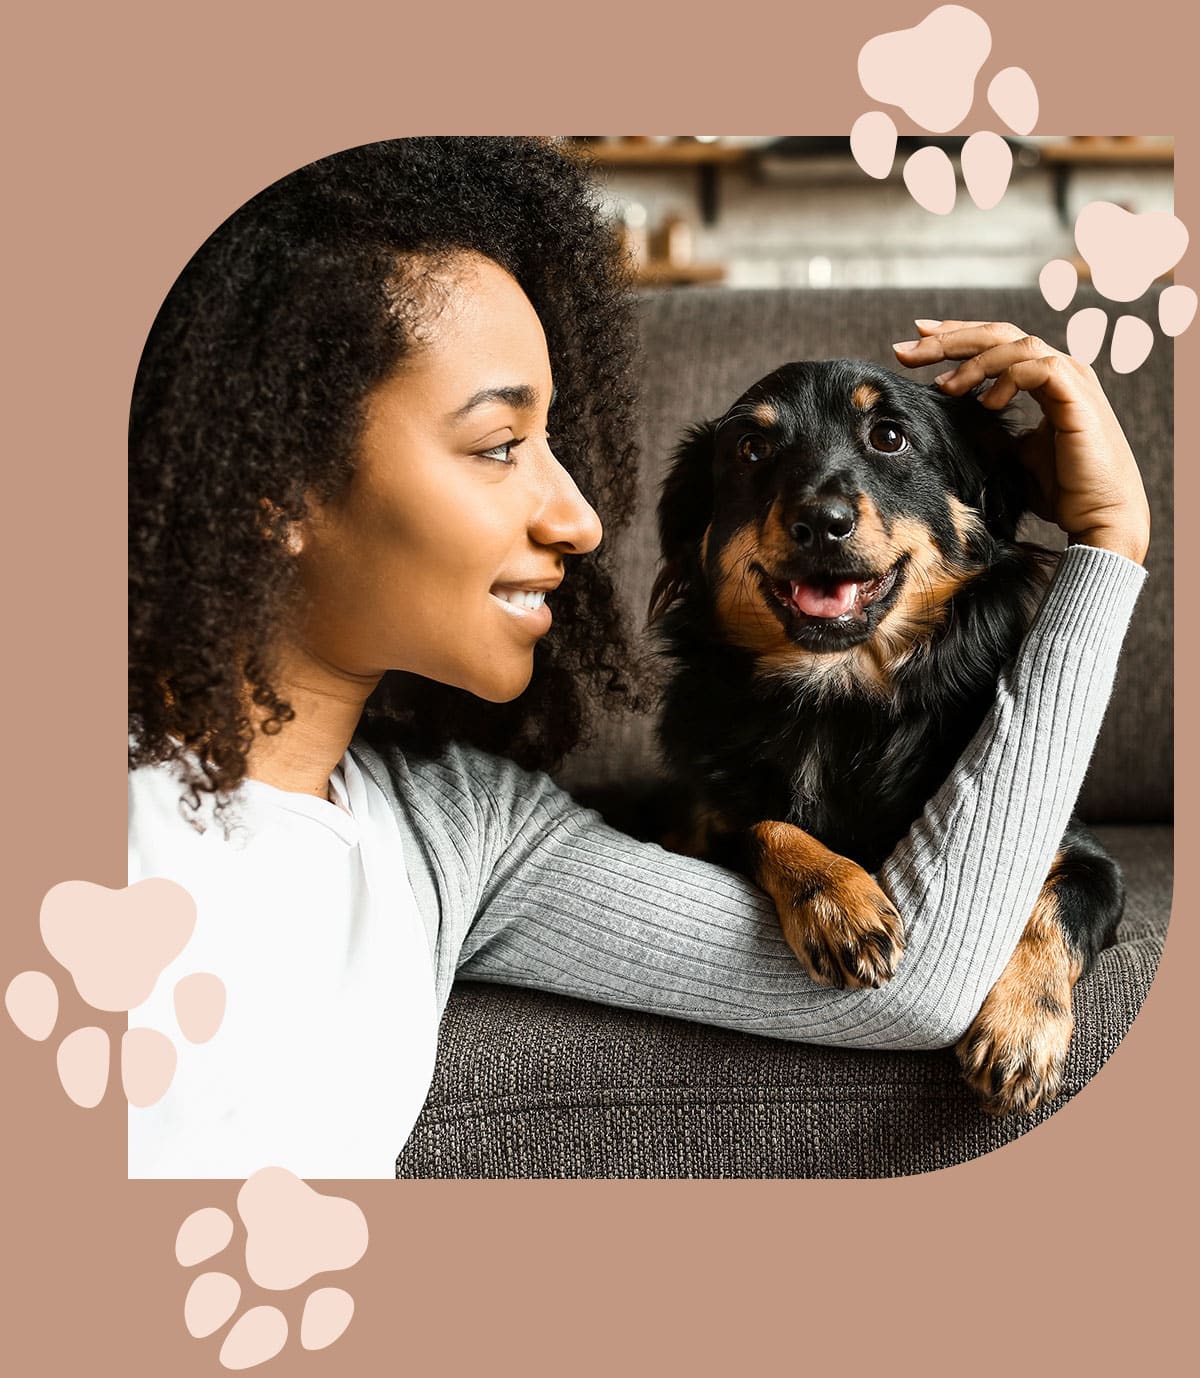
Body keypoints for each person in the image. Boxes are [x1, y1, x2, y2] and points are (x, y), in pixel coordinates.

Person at [127, 137, 1150, 1178]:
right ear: (276, 483)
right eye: (499, 445)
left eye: (556, 444)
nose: (581, 520)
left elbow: (915, 984)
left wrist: (1108, 549)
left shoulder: (468, 834)